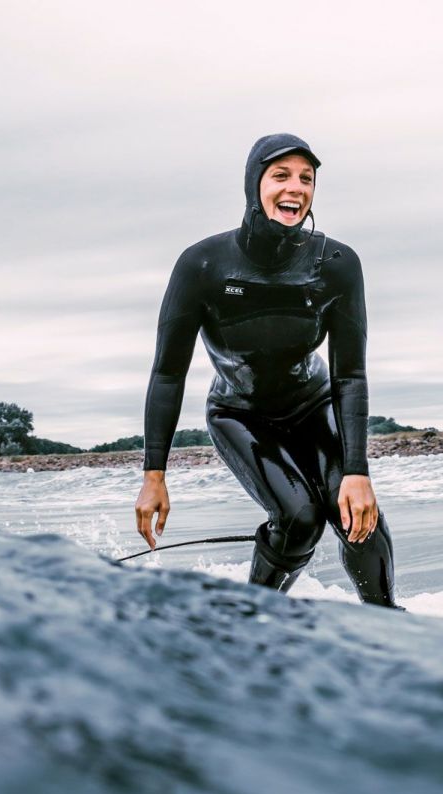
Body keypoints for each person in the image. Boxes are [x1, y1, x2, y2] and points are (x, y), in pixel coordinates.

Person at [135, 133, 398, 607]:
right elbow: (168, 374)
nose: (295, 187)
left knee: (357, 515)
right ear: (254, 184)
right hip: (240, 413)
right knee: (299, 520)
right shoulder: (204, 264)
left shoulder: (336, 264)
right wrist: (155, 474)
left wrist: (357, 470)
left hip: (314, 404)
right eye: (280, 176)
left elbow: (350, 375)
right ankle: (253, 622)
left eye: (306, 178)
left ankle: (388, 626)